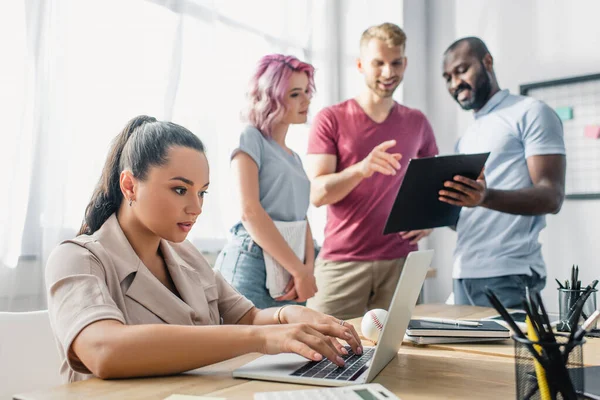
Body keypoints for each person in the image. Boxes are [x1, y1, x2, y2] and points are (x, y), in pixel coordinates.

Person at [45, 116, 361, 383]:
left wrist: (285, 315)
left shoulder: (185, 254)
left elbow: (247, 319)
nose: (196, 207)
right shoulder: (78, 257)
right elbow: (102, 350)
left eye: (202, 193)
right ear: (129, 186)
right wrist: (264, 339)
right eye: (180, 189)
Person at [306, 23, 439, 320]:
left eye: (395, 63)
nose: (388, 72)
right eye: (378, 63)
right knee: (319, 347)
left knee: (402, 354)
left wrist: (428, 220)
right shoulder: (331, 118)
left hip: (402, 262)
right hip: (343, 261)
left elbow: (433, 184)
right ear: (360, 65)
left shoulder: (417, 122)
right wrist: (362, 169)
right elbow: (317, 194)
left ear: (404, 63)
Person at [440, 37, 566, 308]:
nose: (454, 83)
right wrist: (435, 209)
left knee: (514, 353)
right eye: (447, 77)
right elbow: (468, 214)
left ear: (487, 62)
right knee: (463, 354)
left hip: (509, 273)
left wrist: (485, 197)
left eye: (462, 70)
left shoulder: (531, 112)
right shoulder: (467, 136)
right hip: (464, 272)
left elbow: (551, 196)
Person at [215, 55, 318, 309]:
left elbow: (302, 219)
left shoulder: (294, 158)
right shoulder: (250, 137)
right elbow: (249, 211)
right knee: (248, 349)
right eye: (295, 94)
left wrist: (306, 270)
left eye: (306, 91)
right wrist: (299, 270)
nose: (306, 99)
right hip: (254, 261)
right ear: (271, 97)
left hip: (290, 269)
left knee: (291, 348)